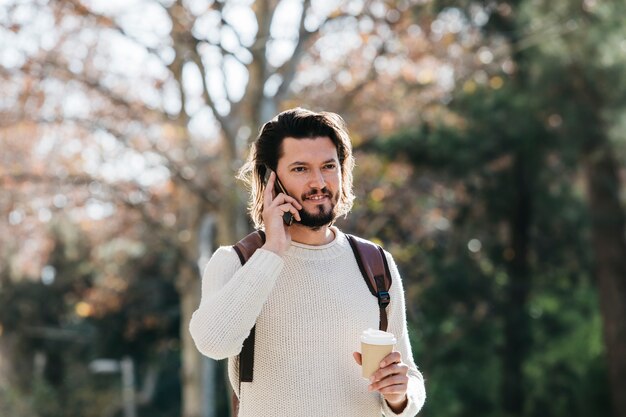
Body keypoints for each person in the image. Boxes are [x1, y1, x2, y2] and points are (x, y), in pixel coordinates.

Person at [189, 108, 426, 416]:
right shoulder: (237, 261)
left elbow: (409, 376)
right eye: (300, 169)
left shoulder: (375, 264)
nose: (318, 182)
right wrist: (272, 250)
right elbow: (214, 343)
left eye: (328, 166)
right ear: (271, 179)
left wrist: (399, 394)